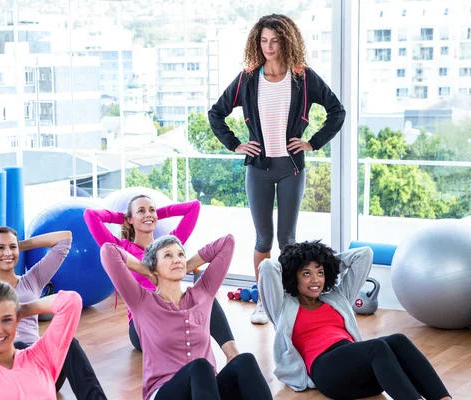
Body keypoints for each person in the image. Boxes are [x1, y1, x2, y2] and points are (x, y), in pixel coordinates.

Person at [208, 14, 346, 325]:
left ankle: (290, 301)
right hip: (258, 168)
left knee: (288, 240)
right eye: (264, 41)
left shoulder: (303, 77)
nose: (269, 46)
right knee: (263, 239)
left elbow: (337, 111)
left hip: (290, 168)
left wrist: (313, 142)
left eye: (275, 40)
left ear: (287, 42)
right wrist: (235, 144)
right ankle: (264, 301)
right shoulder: (247, 78)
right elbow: (217, 113)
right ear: (257, 43)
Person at [0, 227, 107, 400]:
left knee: (69, 343)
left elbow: (64, 239)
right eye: (0, 248)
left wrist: (20, 245)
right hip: (0, 373)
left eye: (12, 247)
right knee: (19, 345)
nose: (8, 252)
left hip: (41, 366)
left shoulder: (32, 279)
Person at [258, 241, 451, 399]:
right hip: (327, 372)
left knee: (398, 340)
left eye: (320, 272)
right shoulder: (283, 306)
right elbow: (268, 267)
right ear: (293, 276)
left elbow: (364, 254)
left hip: (362, 374)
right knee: (377, 346)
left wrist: (327, 262)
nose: (316, 280)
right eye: (306, 273)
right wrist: (294, 262)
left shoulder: (338, 297)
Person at [100, 234, 273, 400]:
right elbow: (108, 251)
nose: (176, 259)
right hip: (165, 391)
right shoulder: (142, 302)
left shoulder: (202, 293)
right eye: (168, 255)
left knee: (245, 361)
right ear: (154, 266)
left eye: (180, 254)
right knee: (200, 366)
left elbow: (227, 243)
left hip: (206, 390)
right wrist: (147, 271)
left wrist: (185, 266)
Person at [84, 197, 239, 361]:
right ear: (129, 219)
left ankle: (232, 354)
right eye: (141, 211)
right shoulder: (121, 249)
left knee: (205, 299)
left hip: (174, 309)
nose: (148, 214)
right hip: (144, 323)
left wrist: (156, 215)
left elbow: (193, 207)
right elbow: (90, 215)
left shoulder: (167, 246)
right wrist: (122, 218)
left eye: (152, 209)